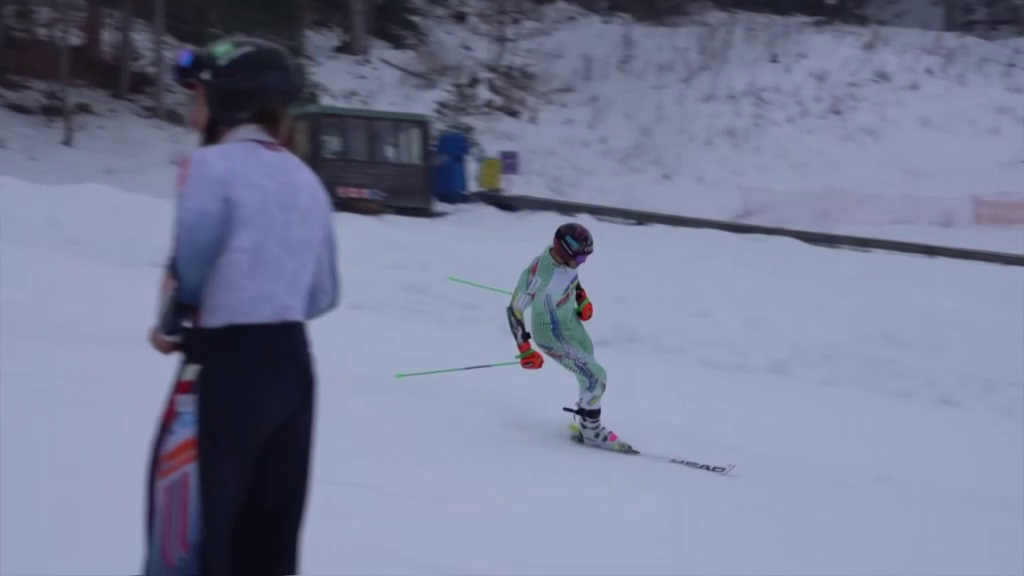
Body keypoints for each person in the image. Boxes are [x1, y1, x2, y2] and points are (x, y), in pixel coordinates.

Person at [142, 36, 339, 576]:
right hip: (293, 371)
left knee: (187, 533)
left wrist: (172, 319)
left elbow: (193, 261)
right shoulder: (307, 180)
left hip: (225, 368)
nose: (190, 112)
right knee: (269, 542)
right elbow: (325, 293)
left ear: (229, 101)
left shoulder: (209, 167)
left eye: (197, 97)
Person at [505, 223, 633, 453]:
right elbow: (514, 310)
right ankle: (593, 432)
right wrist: (525, 349)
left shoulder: (565, 260)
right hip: (551, 334)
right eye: (582, 258)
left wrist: (581, 299)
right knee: (597, 375)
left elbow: (572, 279)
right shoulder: (539, 274)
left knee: (588, 372)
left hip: (570, 323)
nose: (583, 262)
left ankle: (586, 421)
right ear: (565, 251)